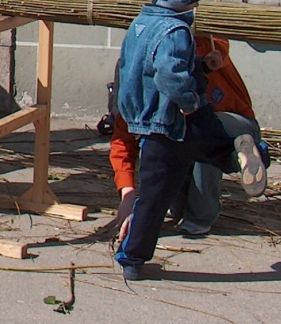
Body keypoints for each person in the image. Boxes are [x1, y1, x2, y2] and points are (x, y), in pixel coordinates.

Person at [114, 0, 268, 282]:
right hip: (177, 120)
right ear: (185, 1)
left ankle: (131, 259)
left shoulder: (139, 24)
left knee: (152, 200)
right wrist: (191, 101)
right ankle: (247, 156)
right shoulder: (177, 30)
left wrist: (196, 67)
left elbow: (141, 69)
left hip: (151, 128)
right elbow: (170, 74)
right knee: (217, 143)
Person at [109, 35, 266, 239]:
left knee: (204, 137)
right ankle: (185, 208)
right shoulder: (134, 101)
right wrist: (127, 194)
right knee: (175, 193)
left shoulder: (191, 56)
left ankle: (201, 215)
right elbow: (122, 145)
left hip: (234, 126)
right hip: (186, 132)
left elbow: (214, 42)